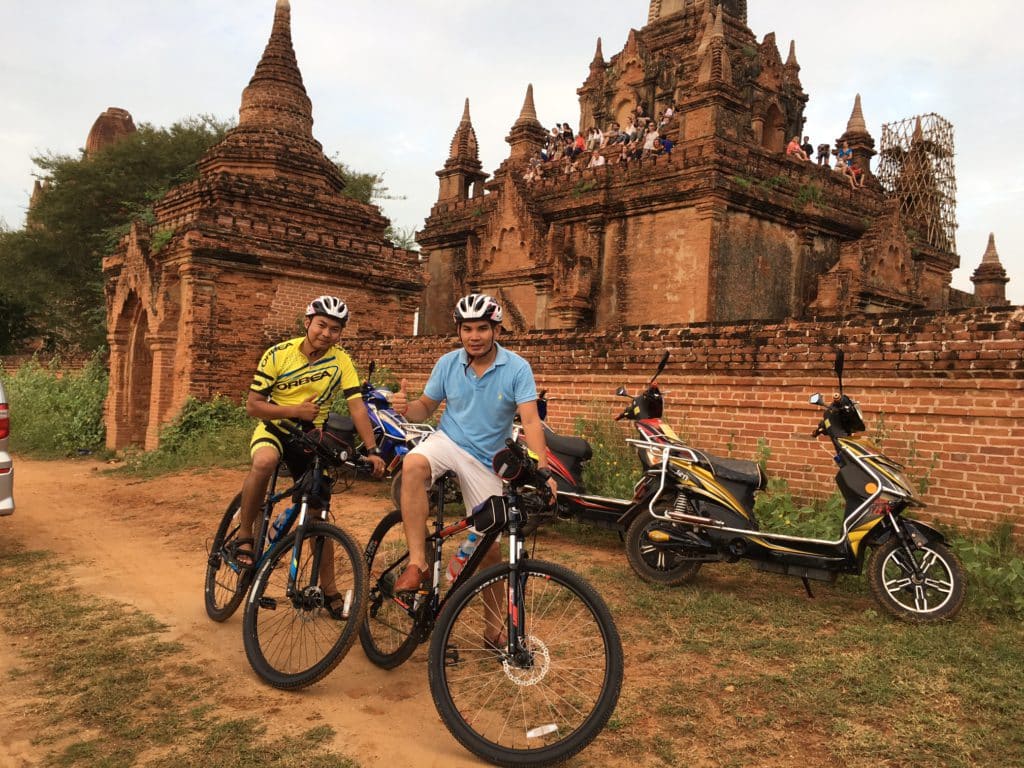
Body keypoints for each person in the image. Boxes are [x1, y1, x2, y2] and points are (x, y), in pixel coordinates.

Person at [389, 294, 559, 643]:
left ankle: (493, 628)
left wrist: (545, 471)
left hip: (486, 459)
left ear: (496, 329)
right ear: (459, 331)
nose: (475, 336)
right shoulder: (448, 363)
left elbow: (530, 420)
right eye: (468, 329)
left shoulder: (516, 368)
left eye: (483, 328)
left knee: (491, 550)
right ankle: (418, 564)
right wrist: (407, 408)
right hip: (448, 441)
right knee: (413, 464)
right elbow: (426, 407)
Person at [234, 296, 386, 608]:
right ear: (307, 323)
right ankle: (245, 536)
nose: (326, 333)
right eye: (321, 325)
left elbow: (356, 406)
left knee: (319, 513)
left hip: (311, 436)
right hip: (275, 425)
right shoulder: (278, 354)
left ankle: (329, 591)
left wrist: (372, 450)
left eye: (334, 329)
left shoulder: (341, 360)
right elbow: (254, 406)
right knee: (264, 462)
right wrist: (294, 410)